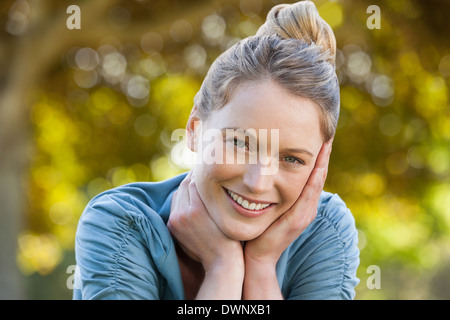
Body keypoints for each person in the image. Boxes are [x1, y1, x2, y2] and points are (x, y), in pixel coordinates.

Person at [73, 0, 360, 300]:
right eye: (239, 143)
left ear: (320, 162)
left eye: (291, 159)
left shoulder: (326, 232)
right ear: (195, 129)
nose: (258, 182)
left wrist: (260, 266)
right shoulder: (119, 224)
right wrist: (223, 268)